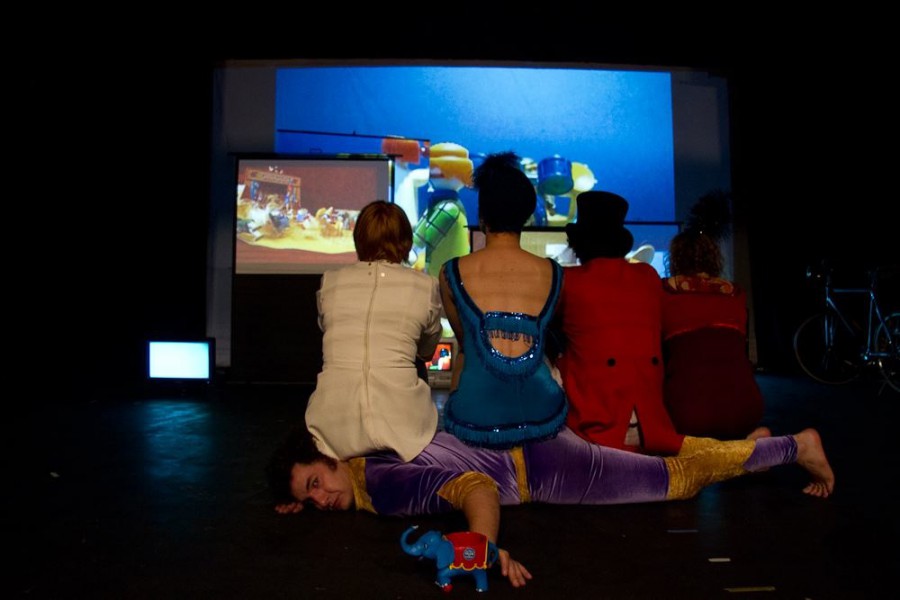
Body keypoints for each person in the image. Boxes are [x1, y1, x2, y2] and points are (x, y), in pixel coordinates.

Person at [266, 420, 835, 589]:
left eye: (316, 483)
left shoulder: (382, 488)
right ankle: (751, 446)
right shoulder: (362, 459)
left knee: (676, 480)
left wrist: (484, 548)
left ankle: (793, 447)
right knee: (642, 454)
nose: (321, 499)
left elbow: (475, 488)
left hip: (544, 469)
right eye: (308, 498)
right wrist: (303, 498)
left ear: (328, 458)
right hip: (531, 448)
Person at [437, 151, 568, 449]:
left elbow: (467, 347)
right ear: (526, 214)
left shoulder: (451, 273)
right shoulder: (554, 274)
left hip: (472, 418)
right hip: (542, 414)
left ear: (482, 216)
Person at [304, 200, 443, 462]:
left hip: (330, 427)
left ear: (358, 239)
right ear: (406, 241)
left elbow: (326, 329)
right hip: (405, 429)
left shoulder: (330, 281)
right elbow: (426, 351)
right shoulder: (425, 285)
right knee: (416, 360)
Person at [553, 191, 684, 454]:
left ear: (580, 243)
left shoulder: (567, 281)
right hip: (653, 430)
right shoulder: (647, 276)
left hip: (594, 432)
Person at [661, 192, 764, 439]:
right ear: (714, 257)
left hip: (689, 411)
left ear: (674, 258)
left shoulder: (663, 291)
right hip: (748, 407)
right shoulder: (735, 293)